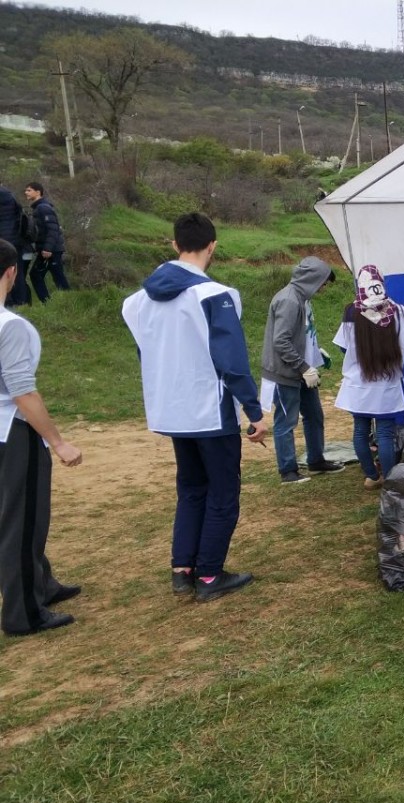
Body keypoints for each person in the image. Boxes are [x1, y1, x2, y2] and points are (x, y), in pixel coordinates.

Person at [122, 212, 268, 602]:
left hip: (170, 409)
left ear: (174, 245)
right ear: (212, 246)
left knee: (190, 488)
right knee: (223, 493)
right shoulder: (215, 295)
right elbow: (232, 362)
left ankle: (182, 568)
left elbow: (148, 352)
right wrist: (254, 411)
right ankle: (209, 576)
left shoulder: (136, 302)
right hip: (209, 411)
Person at [0, 238, 83, 636]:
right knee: (24, 519)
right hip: (12, 432)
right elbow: (22, 391)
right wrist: (57, 441)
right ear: (12, 272)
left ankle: (40, 582)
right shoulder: (9, 326)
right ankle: (24, 613)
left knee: (15, 515)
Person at [260, 256, 345, 484]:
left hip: (303, 370)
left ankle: (316, 460)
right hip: (287, 371)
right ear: (313, 279)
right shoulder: (290, 301)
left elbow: (301, 333)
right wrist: (304, 366)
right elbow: (281, 341)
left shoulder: (303, 298)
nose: (324, 288)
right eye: (324, 283)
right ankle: (288, 471)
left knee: (314, 416)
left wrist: (316, 352)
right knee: (286, 421)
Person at [333, 265, 404, 489]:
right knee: (385, 433)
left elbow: (344, 348)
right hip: (387, 380)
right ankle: (389, 478)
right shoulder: (398, 311)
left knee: (360, 429)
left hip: (359, 382)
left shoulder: (351, 311)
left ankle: (371, 475)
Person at [24, 182, 69, 302]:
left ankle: (64, 302)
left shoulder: (43, 208)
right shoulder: (38, 208)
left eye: (29, 190)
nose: (26, 193)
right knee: (41, 275)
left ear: (38, 192)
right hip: (47, 249)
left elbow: (53, 229)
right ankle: (53, 303)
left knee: (55, 276)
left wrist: (48, 248)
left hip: (51, 250)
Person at [0, 185, 31, 307]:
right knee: (16, 272)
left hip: (6, 241)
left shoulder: (3, 195)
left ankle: (12, 302)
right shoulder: (7, 193)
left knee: (8, 272)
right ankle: (20, 302)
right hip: (14, 239)